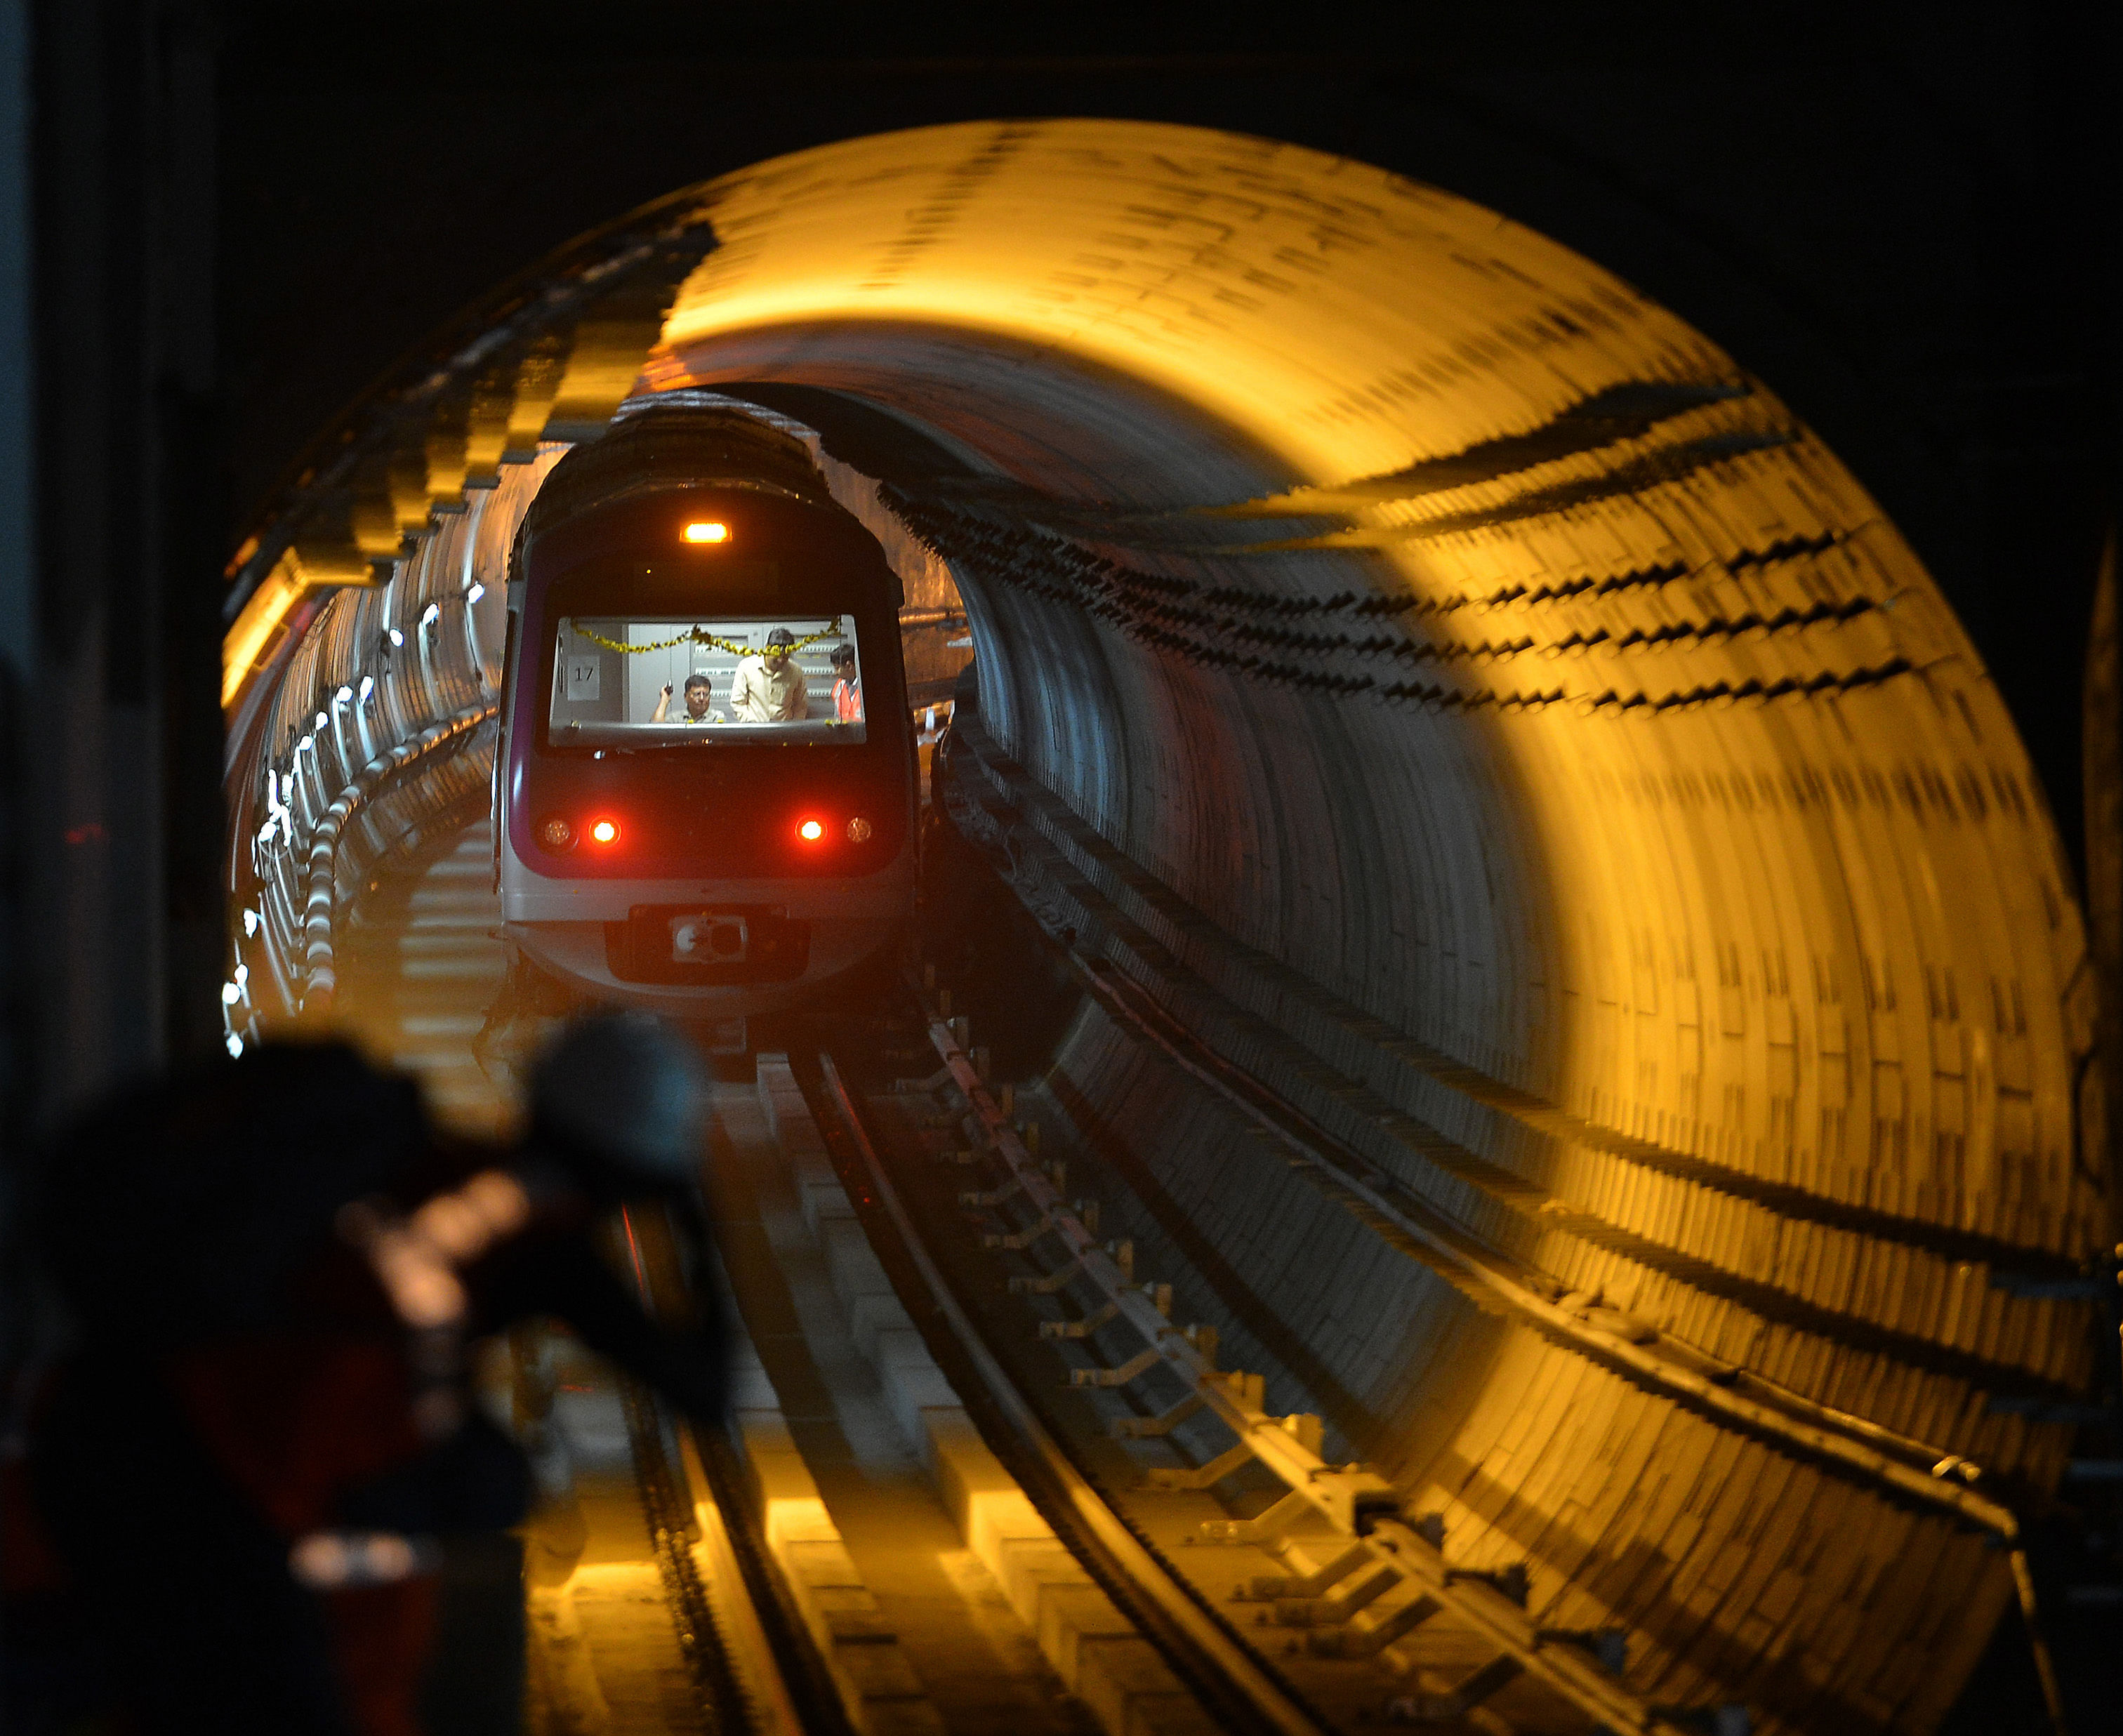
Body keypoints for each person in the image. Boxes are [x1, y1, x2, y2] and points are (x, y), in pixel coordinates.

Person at [18, 1016, 726, 1736]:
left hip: (118, 1412)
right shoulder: (539, 1244)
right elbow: (703, 1387)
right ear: (634, 1175)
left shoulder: (399, 1163)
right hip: (227, 1496)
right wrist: (697, 1222)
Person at [725, 627, 808, 722]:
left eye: (785, 657)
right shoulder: (746, 667)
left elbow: (801, 706)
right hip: (754, 730)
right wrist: (751, 724)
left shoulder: (796, 671)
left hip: (785, 731)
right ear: (767, 648)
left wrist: (794, 728)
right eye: (776, 656)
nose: (780, 660)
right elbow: (737, 703)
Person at [650, 670, 721, 724]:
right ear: (686, 697)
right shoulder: (675, 718)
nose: (702, 698)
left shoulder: (716, 717)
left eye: (706, 695)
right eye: (697, 694)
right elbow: (655, 731)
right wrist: (664, 700)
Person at [828, 643, 863, 723]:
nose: (835, 673)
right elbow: (837, 716)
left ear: (849, 666)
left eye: (837, 668)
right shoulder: (838, 688)